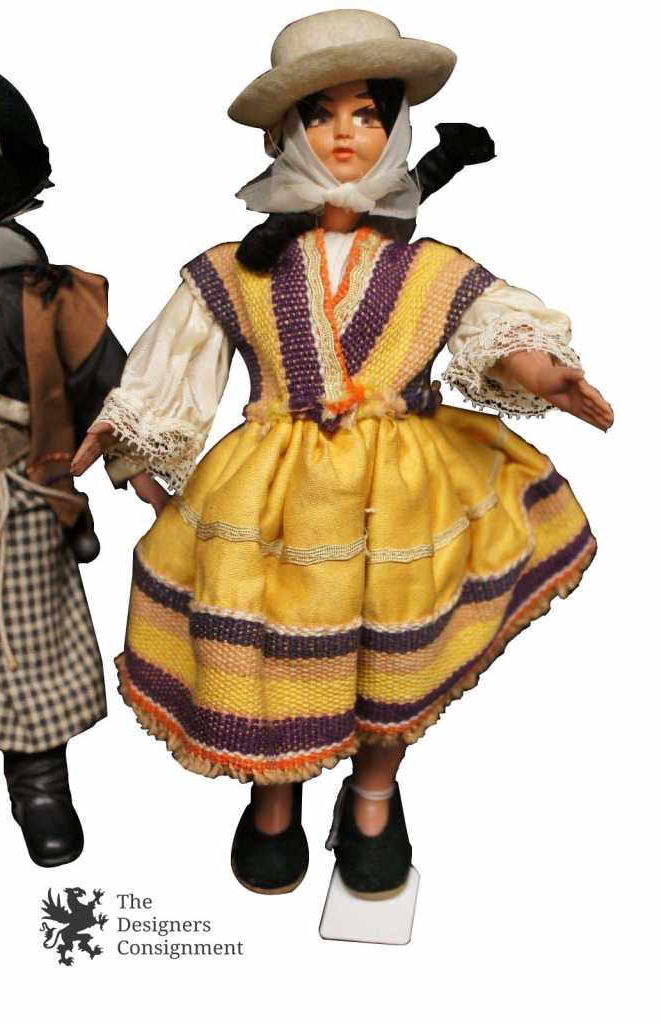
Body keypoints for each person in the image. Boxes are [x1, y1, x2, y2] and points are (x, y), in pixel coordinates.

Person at [72, 10, 613, 899]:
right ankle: (274, 788)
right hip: (274, 497)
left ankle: (372, 792)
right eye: (320, 115)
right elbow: (179, 363)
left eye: (366, 114)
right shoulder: (235, 266)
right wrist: (132, 439)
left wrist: (539, 370)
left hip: (403, 496)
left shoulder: (430, 267)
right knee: (273, 644)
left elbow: (490, 324)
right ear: (286, 134)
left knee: (395, 649)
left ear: (394, 129)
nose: (344, 134)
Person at [0, 65, 132, 866]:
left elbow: (108, 385)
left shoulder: (45, 293)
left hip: (15, 493)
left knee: (28, 641)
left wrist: (139, 469)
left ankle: (38, 782)